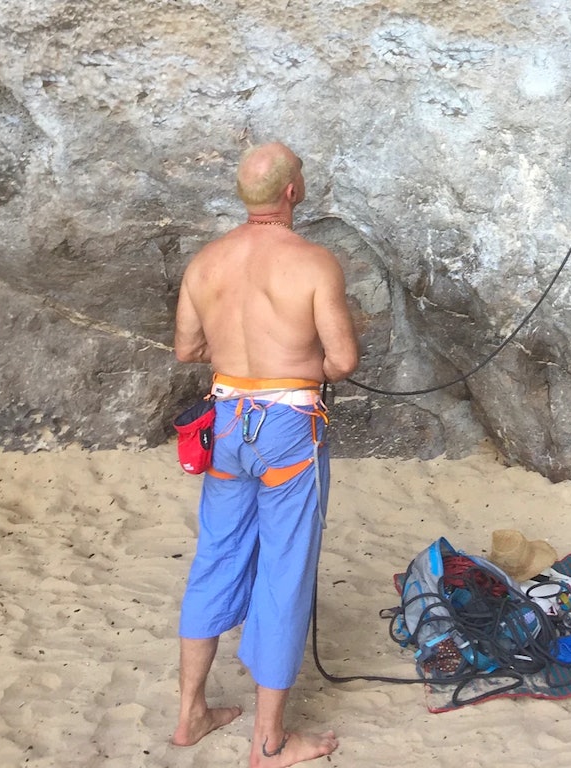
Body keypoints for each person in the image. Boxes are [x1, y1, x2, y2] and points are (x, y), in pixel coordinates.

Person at [172, 141, 359, 767]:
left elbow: (187, 349)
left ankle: (190, 715)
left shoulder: (206, 262)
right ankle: (269, 742)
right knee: (284, 570)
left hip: (224, 424)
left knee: (215, 555)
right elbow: (344, 361)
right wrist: (297, 366)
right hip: (287, 431)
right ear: (292, 192)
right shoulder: (313, 264)